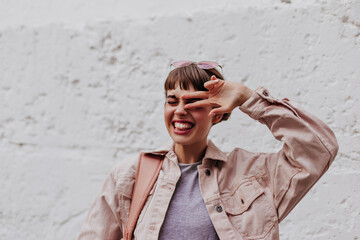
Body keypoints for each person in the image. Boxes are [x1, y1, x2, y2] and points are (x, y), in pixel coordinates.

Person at [78, 61, 338, 240]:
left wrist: (250, 99)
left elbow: (318, 148)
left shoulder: (254, 176)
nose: (180, 110)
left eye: (193, 102)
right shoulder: (129, 176)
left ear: (216, 114)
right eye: (172, 101)